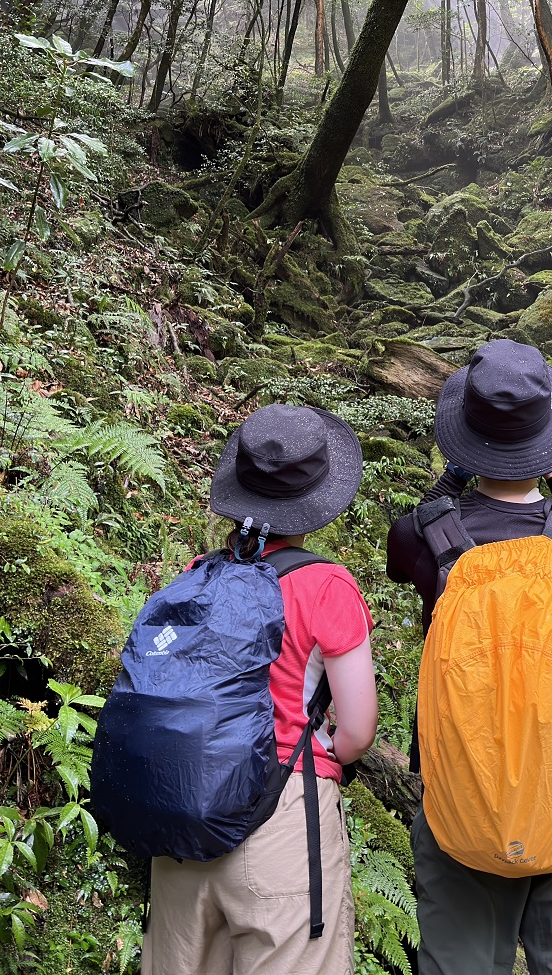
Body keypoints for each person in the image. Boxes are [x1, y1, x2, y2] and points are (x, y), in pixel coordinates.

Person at [385, 340, 552, 975]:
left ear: (461, 435)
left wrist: (449, 482)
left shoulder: (420, 536)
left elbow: (416, 536)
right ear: (551, 440)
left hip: (461, 783)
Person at [142, 403, 379, 975]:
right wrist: (324, 755)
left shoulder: (199, 573)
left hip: (184, 808)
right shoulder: (326, 586)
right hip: (282, 812)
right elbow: (357, 729)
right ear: (315, 501)